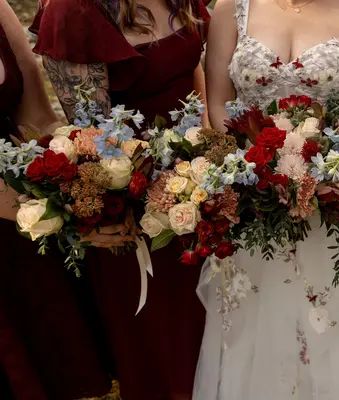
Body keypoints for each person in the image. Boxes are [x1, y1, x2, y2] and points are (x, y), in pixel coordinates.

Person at [194, 0, 339, 399]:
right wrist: (261, 169)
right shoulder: (230, 9)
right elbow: (219, 103)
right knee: (257, 329)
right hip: (256, 204)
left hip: (335, 208)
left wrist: (323, 172)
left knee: (335, 331)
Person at [30, 0, 211, 398]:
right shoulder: (74, 11)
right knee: (168, 359)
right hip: (139, 214)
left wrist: (209, 150)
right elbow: (92, 136)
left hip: (203, 190)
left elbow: (193, 67)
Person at [0, 1, 112, 398]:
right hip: (20, 209)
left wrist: (79, 174)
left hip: (24, 220)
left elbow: (36, 116)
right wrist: (53, 211)